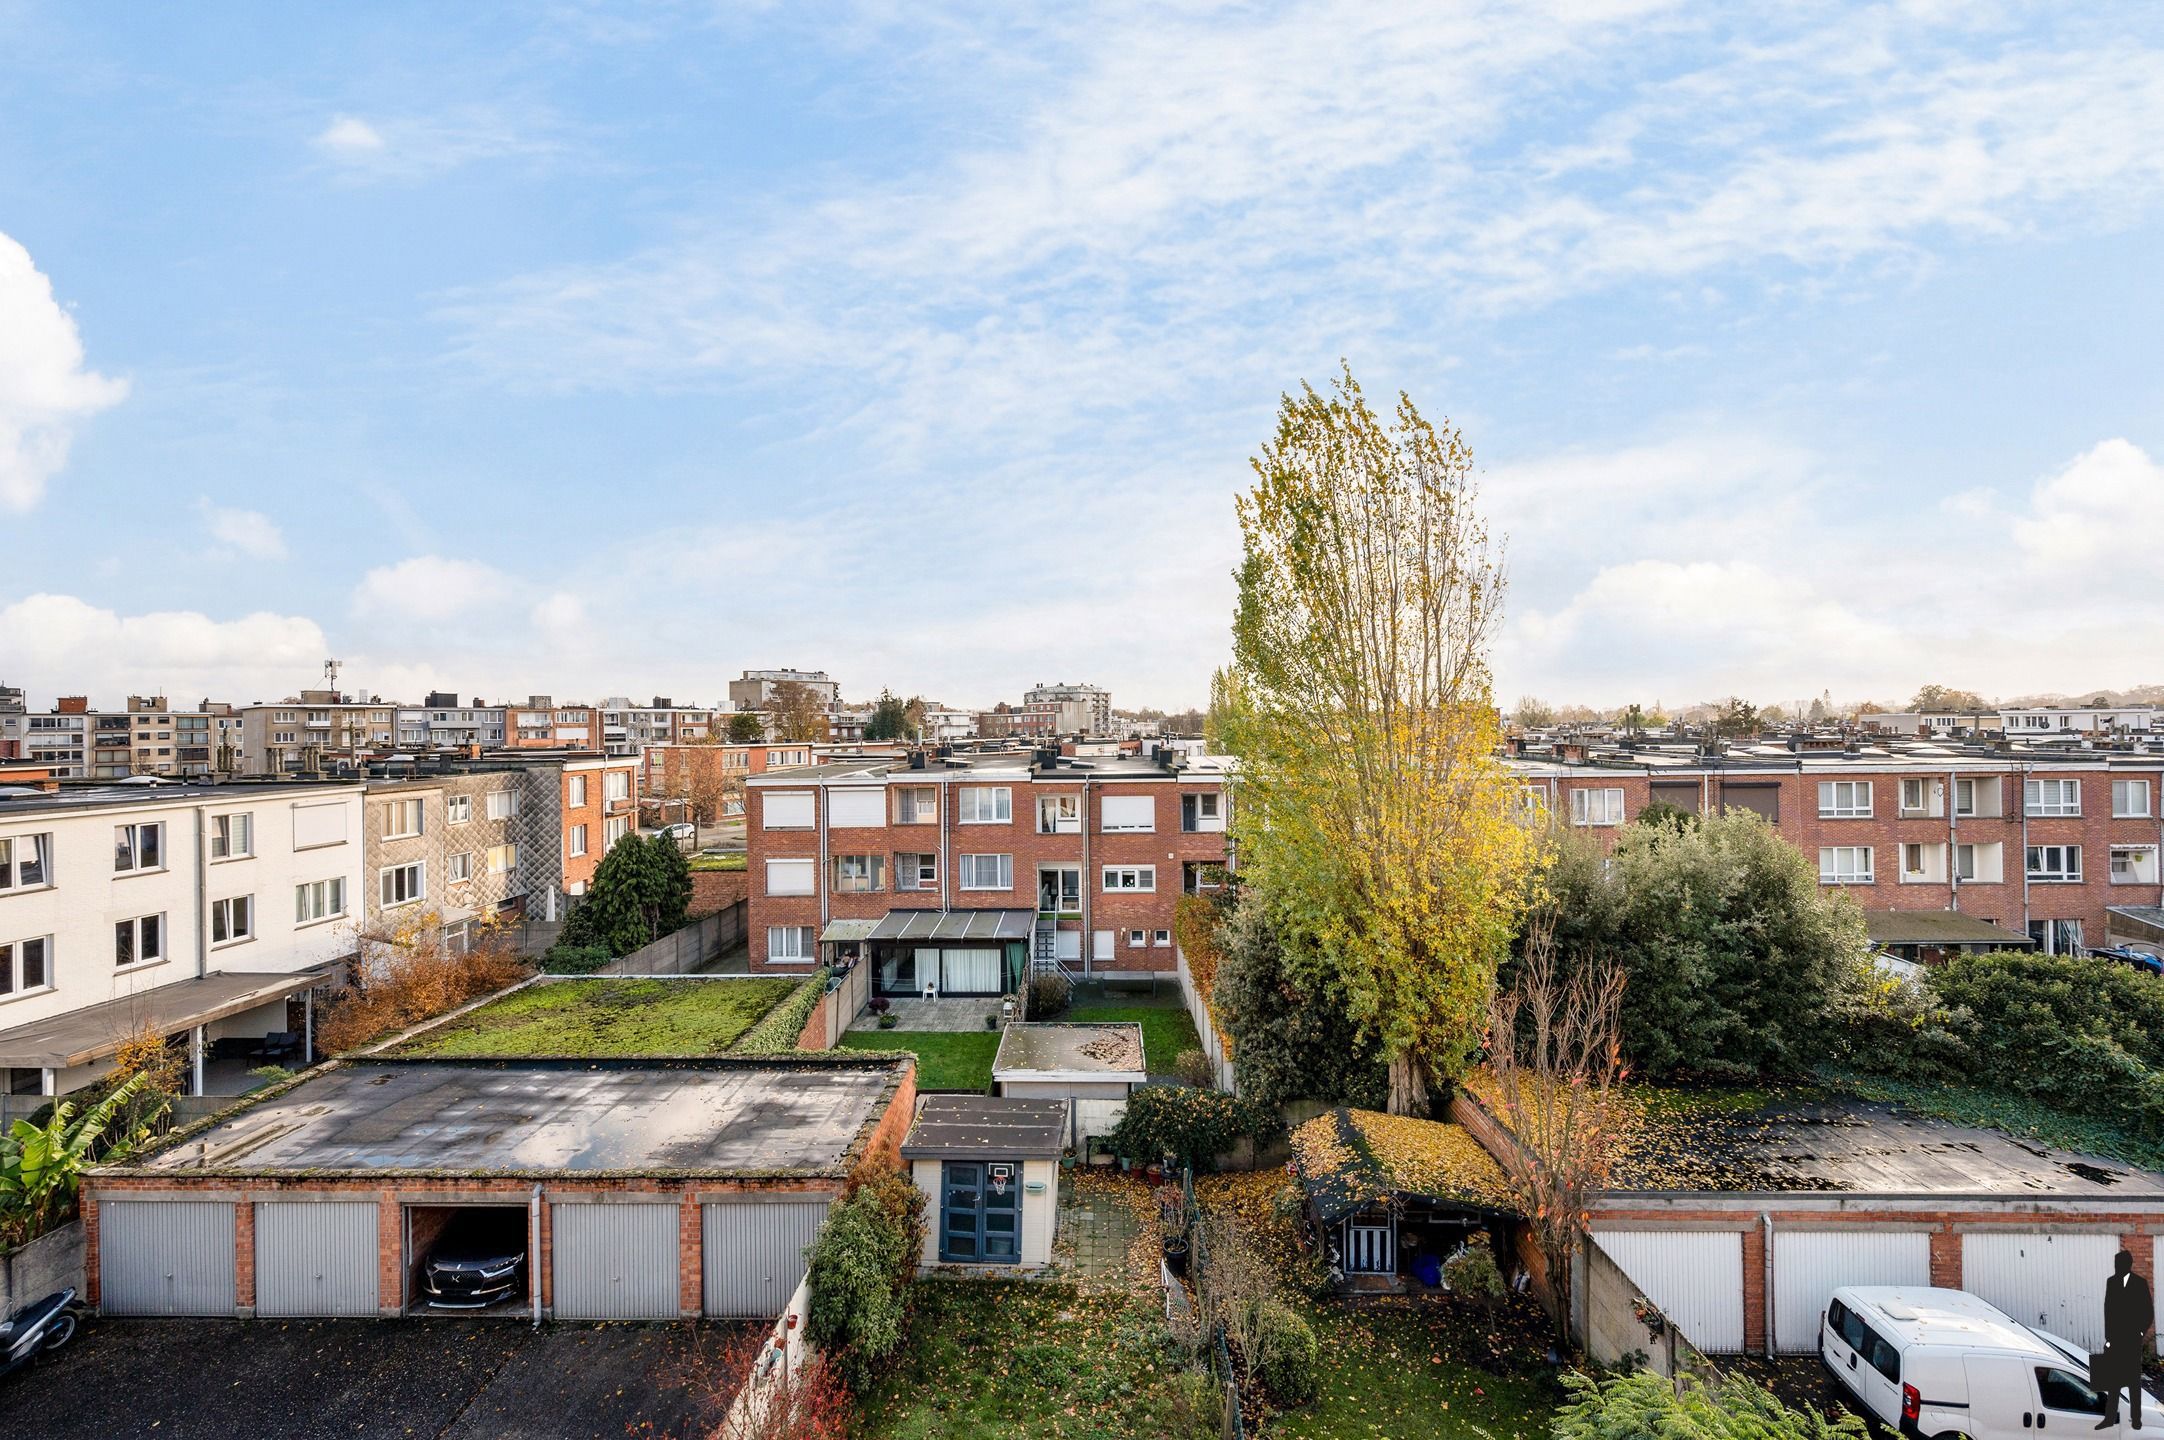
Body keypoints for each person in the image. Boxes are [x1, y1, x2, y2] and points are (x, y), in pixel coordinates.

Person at [2098, 1249, 2153, 1430]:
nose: (2116, 1268)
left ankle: (2136, 1420)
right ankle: (2109, 1418)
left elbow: (2148, 1312)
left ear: (2127, 1265)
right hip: (2115, 1340)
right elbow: (2108, 1310)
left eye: (2119, 1264)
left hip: (2131, 1341)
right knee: (2113, 1382)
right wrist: (2108, 1338)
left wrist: (2139, 1333)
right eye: (2115, 1265)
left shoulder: (2139, 1283)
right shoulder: (2111, 1282)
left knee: (2133, 1383)